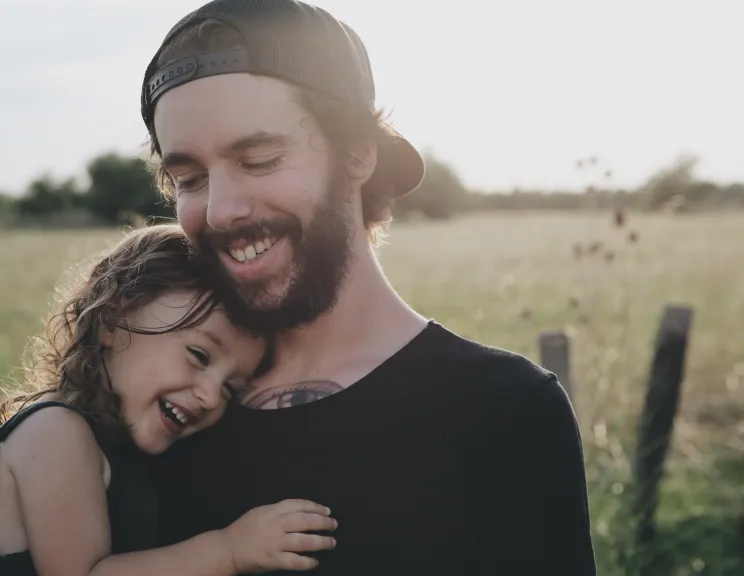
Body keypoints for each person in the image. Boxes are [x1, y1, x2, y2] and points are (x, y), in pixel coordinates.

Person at [142, 1, 597, 574]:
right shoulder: (165, 409)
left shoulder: (503, 411)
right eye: (189, 179)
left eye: (258, 160)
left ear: (359, 153)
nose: (221, 210)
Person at [0, 224, 338, 576]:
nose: (209, 396)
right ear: (112, 320)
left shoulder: (120, 450)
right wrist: (229, 551)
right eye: (199, 355)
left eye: (229, 389)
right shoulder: (55, 432)